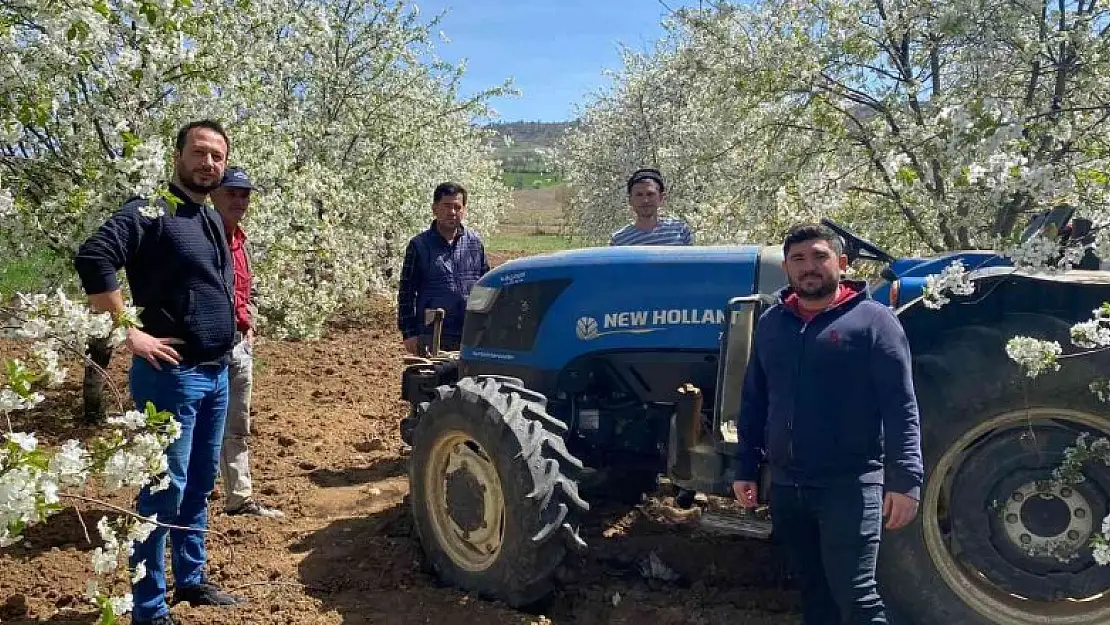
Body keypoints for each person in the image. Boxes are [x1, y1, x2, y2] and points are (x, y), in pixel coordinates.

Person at [73, 120, 246, 625]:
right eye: (199, 152)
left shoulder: (210, 218)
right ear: (177, 156)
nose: (208, 163)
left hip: (215, 373)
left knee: (196, 486)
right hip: (171, 377)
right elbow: (94, 255)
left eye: (217, 155)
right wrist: (129, 331)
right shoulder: (152, 209)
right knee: (162, 491)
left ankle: (190, 580)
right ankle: (148, 609)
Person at [731, 223, 923, 625]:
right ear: (786, 268)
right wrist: (745, 468)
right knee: (813, 594)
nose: (809, 267)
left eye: (819, 256)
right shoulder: (773, 324)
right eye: (798, 259)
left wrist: (905, 481)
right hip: (788, 487)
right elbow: (754, 401)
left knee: (857, 598)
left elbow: (901, 405)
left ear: (842, 262)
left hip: (849, 486)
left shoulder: (874, 322)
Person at [210, 166, 284, 519]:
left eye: (244, 195)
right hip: (205, 350)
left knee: (237, 425)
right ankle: (182, 505)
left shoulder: (241, 240)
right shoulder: (201, 234)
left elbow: (248, 287)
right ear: (214, 195)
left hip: (239, 345)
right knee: (198, 427)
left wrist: (250, 323)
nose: (239, 200)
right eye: (232, 193)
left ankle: (239, 498)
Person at [397, 181, 489, 355]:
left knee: (469, 382)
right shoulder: (419, 246)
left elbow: (486, 287)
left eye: (457, 207)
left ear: (464, 210)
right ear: (434, 209)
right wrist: (409, 333)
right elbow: (406, 293)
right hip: (432, 334)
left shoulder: (475, 244)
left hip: (469, 334)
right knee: (432, 381)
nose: (452, 212)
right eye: (446, 206)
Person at [608, 168, 693, 246]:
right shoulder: (619, 240)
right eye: (639, 195)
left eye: (650, 194)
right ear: (630, 200)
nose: (645, 200)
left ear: (661, 198)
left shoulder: (680, 231)